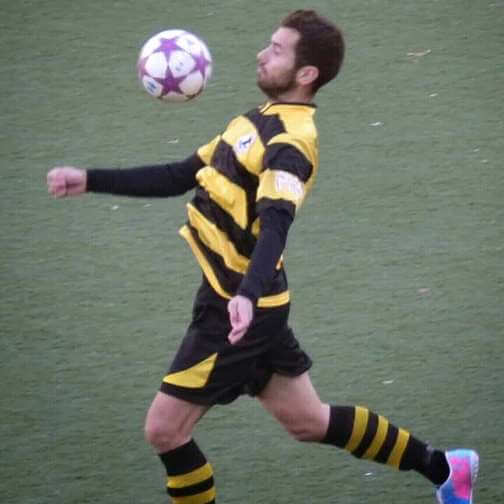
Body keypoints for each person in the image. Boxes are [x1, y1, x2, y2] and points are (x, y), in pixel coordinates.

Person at [47, 9, 478, 504]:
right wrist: (90, 180)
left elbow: (277, 224)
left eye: (275, 50)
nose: (261, 55)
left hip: (238, 308)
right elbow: (181, 174)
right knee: (309, 421)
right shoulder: (255, 120)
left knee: (165, 431)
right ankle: (446, 468)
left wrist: (246, 298)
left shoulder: (291, 144)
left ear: (306, 73)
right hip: (248, 301)